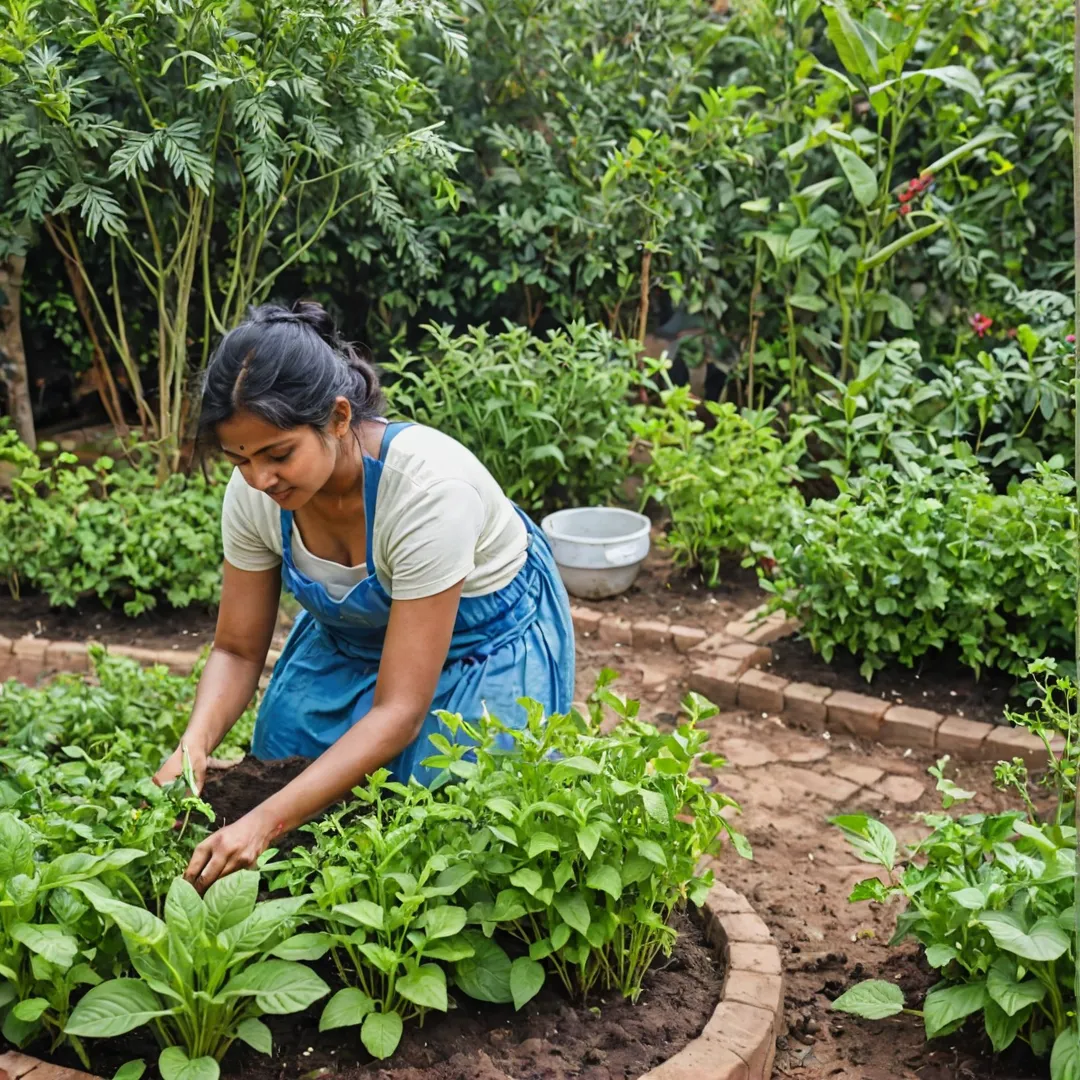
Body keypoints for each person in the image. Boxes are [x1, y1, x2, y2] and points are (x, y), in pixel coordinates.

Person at [153, 300, 575, 890]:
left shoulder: (429, 492)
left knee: (456, 835)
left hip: (481, 643)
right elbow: (237, 650)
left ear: (338, 417)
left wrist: (262, 825)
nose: (259, 479)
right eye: (239, 458)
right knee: (284, 775)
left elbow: (400, 711)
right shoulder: (254, 491)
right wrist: (192, 749)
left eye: (278, 454)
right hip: (351, 639)